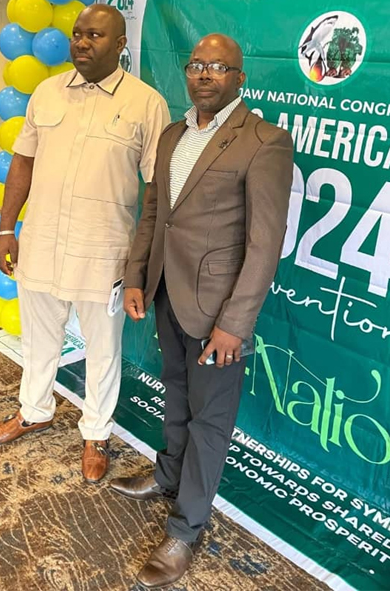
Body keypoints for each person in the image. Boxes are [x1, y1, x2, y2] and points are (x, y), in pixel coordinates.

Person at [110, 34, 294, 588]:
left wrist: (235, 324)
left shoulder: (265, 141)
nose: (205, 74)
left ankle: (185, 529)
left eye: (218, 66)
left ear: (240, 78)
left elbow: (265, 244)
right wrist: (137, 277)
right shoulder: (172, 134)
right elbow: (154, 214)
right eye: (196, 65)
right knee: (174, 392)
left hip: (218, 311)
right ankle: (167, 476)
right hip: (167, 293)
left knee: (210, 420)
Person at [0, 4, 170, 483]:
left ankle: (97, 434)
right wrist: (7, 228)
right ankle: (34, 411)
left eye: (95, 35)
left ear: (120, 44)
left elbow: (156, 189)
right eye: (77, 33)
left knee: (102, 347)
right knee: (39, 336)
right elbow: (22, 162)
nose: (82, 42)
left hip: (103, 250)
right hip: (41, 239)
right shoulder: (47, 92)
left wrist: (141, 259)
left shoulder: (146, 103)